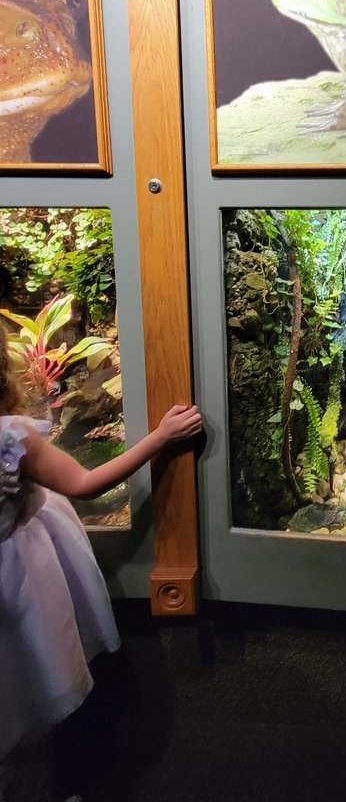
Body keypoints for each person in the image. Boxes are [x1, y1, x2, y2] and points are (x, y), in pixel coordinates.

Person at [0, 326, 202, 795]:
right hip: (22, 590)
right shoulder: (11, 439)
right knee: (36, 696)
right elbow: (85, 483)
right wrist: (162, 437)